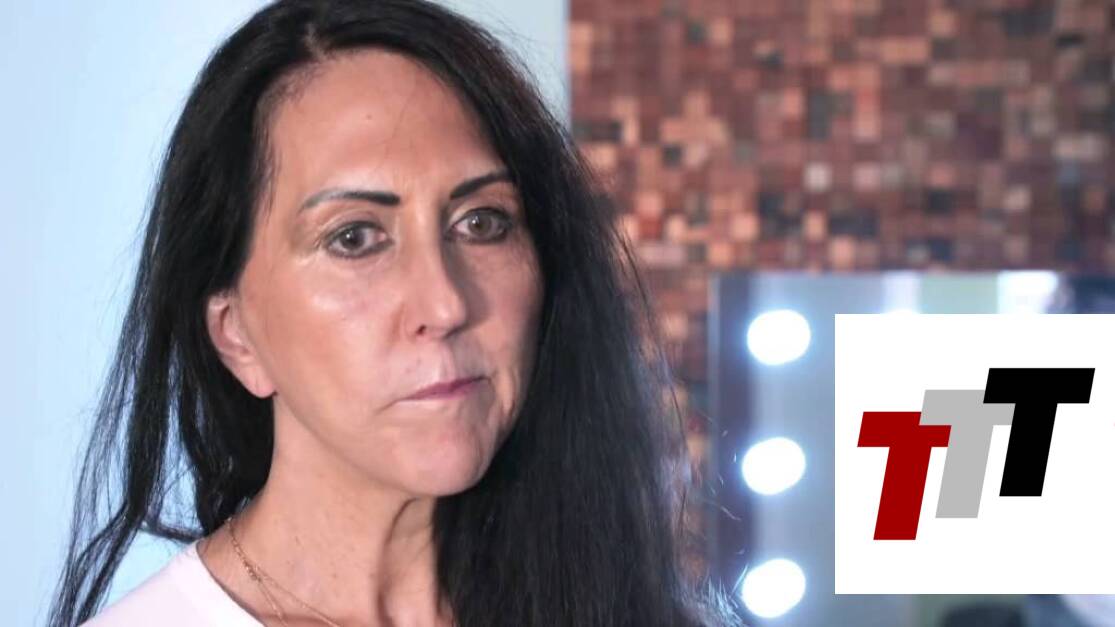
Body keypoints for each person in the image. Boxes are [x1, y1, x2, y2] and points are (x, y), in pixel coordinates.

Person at [47, 1, 740, 625]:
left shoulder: (615, 602)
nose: (445, 304)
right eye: (354, 238)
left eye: (482, 222)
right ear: (236, 336)